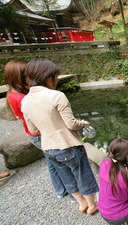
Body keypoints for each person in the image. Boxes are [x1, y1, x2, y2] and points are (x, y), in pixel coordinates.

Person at [20, 58, 98, 214]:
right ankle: (92, 205)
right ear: (48, 77)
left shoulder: (25, 100)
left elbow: (33, 129)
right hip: (68, 146)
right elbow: (71, 124)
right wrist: (82, 123)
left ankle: (81, 203)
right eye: (56, 76)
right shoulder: (57, 96)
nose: (56, 80)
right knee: (82, 174)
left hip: (48, 148)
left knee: (66, 176)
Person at [4, 60, 76, 202]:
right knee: (62, 166)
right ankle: (74, 195)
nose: (31, 76)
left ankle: (61, 190)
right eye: (26, 74)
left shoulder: (14, 94)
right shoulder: (22, 98)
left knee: (53, 163)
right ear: (18, 76)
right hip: (41, 134)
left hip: (36, 134)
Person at [98, 137, 128, 225]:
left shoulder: (104, 163)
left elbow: (116, 174)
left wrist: (126, 169)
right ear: (127, 155)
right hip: (117, 217)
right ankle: (124, 221)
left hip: (102, 211)